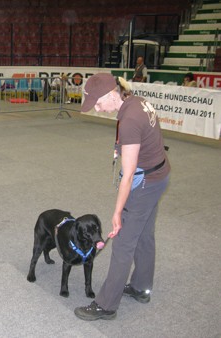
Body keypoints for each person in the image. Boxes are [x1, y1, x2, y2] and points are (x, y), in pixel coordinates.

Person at [74, 73, 170, 321]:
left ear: (110, 95)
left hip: (145, 183)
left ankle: (106, 305)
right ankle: (141, 287)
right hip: (158, 175)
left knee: (124, 243)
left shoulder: (129, 119)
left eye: (97, 103)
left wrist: (117, 213)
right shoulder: (135, 101)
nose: (97, 108)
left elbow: (127, 176)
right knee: (144, 235)